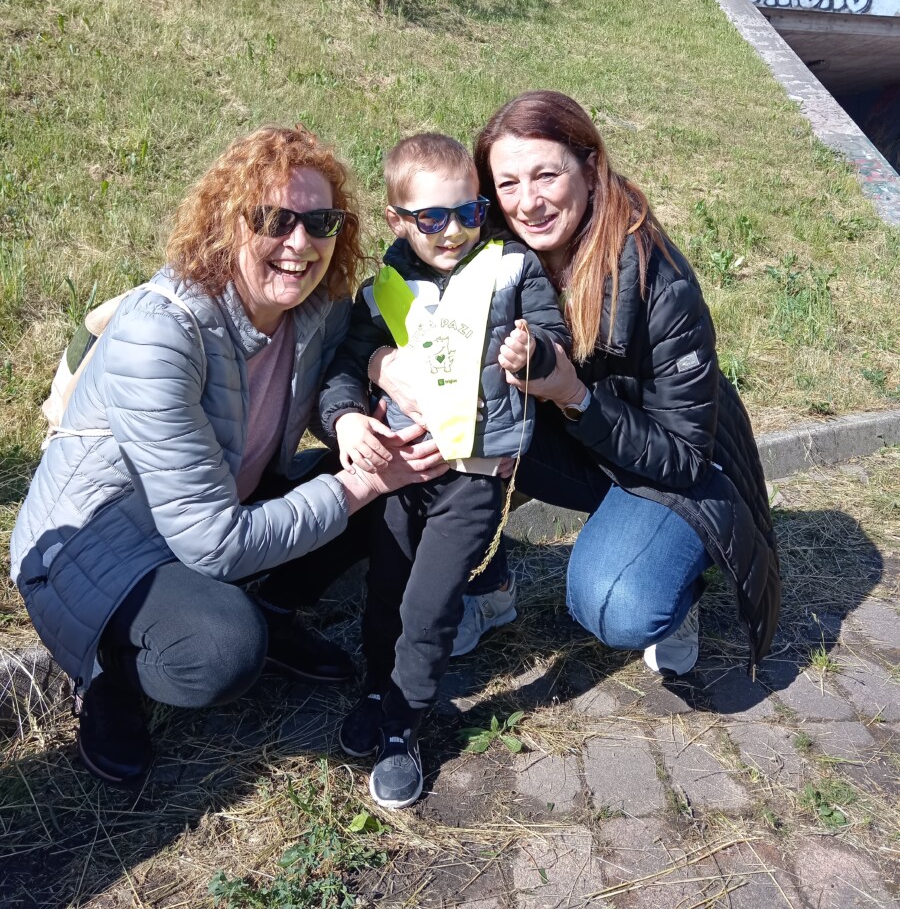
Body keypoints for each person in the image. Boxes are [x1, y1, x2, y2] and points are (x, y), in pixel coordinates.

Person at [10, 124, 447, 785]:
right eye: (274, 219)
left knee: (397, 477)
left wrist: (363, 400)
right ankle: (105, 670)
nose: (300, 243)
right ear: (225, 223)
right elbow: (212, 543)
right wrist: (362, 484)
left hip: (222, 500)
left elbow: (333, 379)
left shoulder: (315, 309)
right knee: (223, 648)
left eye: (321, 222)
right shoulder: (160, 334)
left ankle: (275, 609)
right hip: (93, 545)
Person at [370, 92, 781, 678]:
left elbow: (686, 457)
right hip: (574, 442)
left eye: (547, 175)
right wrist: (381, 363)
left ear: (590, 169)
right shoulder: (475, 236)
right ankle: (488, 588)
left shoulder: (658, 281)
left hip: (672, 465)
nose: (528, 202)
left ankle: (679, 584)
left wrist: (572, 395)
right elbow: (399, 278)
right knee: (442, 424)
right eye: (507, 184)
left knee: (616, 601)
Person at [317, 133, 570, 808]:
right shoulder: (383, 290)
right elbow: (346, 364)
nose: (453, 230)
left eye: (468, 212)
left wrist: (536, 353)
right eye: (432, 217)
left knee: (427, 608)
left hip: (475, 477)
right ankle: (378, 688)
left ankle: (404, 727)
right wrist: (347, 418)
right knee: (386, 590)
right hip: (400, 476)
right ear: (398, 220)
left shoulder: (513, 269)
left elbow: (556, 339)